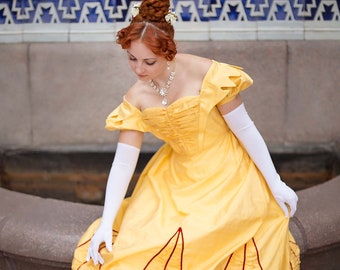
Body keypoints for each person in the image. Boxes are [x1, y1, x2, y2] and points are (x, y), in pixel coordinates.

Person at [72, 0, 300, 269]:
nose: (138, 69)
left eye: (149, 61)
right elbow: (123, 163)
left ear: (168, 52)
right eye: (132, 58)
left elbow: (245, 129)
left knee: (204, 237)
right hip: (174, 176)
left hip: (229, 174)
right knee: (139, 243)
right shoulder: (136, 97)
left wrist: (275, 182)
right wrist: (107, 221)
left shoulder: (207, 74)